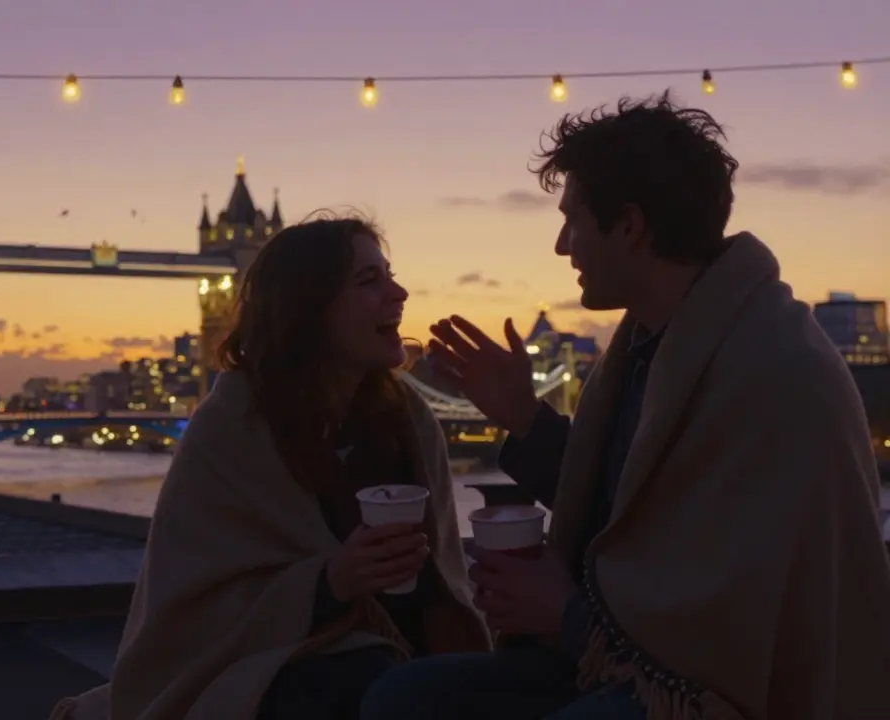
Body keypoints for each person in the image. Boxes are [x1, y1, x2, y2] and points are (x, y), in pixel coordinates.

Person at [361, 92, 890, 719]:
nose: (562, 246)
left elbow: (734, 629)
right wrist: (525, 418)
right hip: (617, 652)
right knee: (402, 700)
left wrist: (563, 612)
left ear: (631, 227)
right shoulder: (655, 345)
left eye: (573, 220)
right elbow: (640, 515)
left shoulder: (775, 375)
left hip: (712, 695)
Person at [49, 214, 491, 720]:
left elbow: (446, 582)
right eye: (371, 281)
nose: (400, 293)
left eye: (390, 275)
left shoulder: (408, 417)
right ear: (309, 307)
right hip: (290, 677)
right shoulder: (232, 428)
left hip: (408, 657)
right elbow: (197, 612)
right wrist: (331, 581)